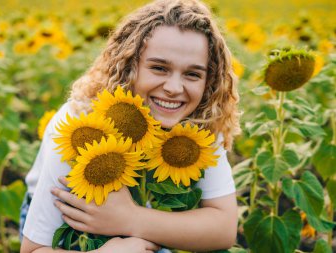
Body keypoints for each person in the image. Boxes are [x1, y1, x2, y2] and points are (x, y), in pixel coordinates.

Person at [20, 0, 241, 252]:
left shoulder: (200, 121)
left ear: (208, 81)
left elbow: (223, 228)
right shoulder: (81, 126)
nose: (174, 88)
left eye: (193, 74)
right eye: (159, 68)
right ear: (128, 65)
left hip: (146, 222)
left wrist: (130, 219)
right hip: (70, 228)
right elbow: (33, 249)